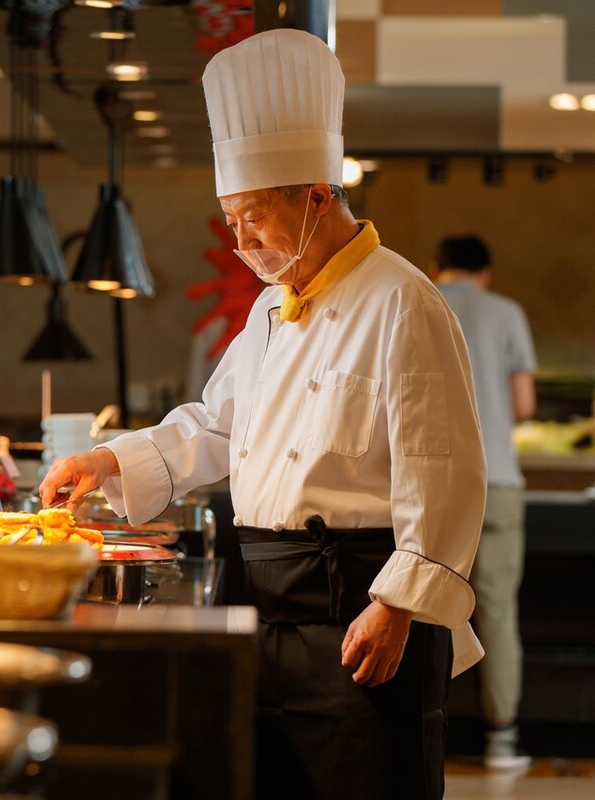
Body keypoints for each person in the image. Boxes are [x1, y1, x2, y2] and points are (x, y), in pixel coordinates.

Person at [39, 29, 487, 800]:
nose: (241, 241)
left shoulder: (403, 301)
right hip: (264, 609)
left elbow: (442, 470)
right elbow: (217, 427)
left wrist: (398, 607)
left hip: (358, 611)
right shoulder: (269, 313)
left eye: (254, 218)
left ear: (317, 196)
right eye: (230, 221)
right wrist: (109, 459)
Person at [433, 235, 537, 770]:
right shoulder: (506, 313)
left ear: (437, 266)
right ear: (486, 272)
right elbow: (523, 404)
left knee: (420, 607)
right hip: (496, 480)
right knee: (497, 615)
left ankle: (423, 731)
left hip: (427, 485)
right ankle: (502, 739)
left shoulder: (415, 298)